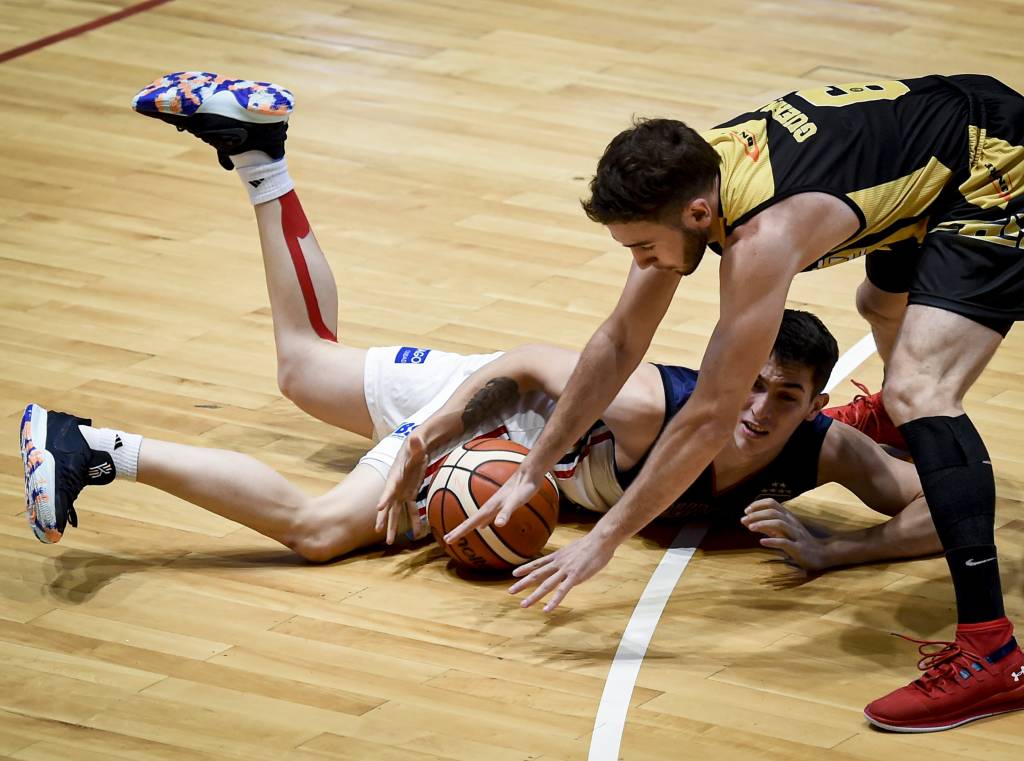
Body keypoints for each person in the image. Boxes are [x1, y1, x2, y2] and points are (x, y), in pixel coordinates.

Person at [19, 72, 937, 578]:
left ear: (819, 404)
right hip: (488, 411)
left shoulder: (822, 452)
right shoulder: (659, 408)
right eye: (758, 385)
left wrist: (840, 550)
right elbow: (533, 361)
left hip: (506, 451)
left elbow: (943, 510)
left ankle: (261, 154)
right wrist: (427, 436)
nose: (762, 409)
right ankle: (90, 448)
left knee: (301, 364)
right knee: (320, 527)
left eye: (787, 398)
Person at [429, 75, 1024, 731]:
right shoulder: (690, 173)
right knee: (880, 305)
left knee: (922, 387)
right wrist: (533, 467)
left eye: (643, 246)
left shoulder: (763, 237)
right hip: (935, 149)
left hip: (994, 166)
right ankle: (894, 422)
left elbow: (713, 414)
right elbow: (621, 338)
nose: (641, 261)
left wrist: (604, 539)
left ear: (696, 216)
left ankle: (991, 652)